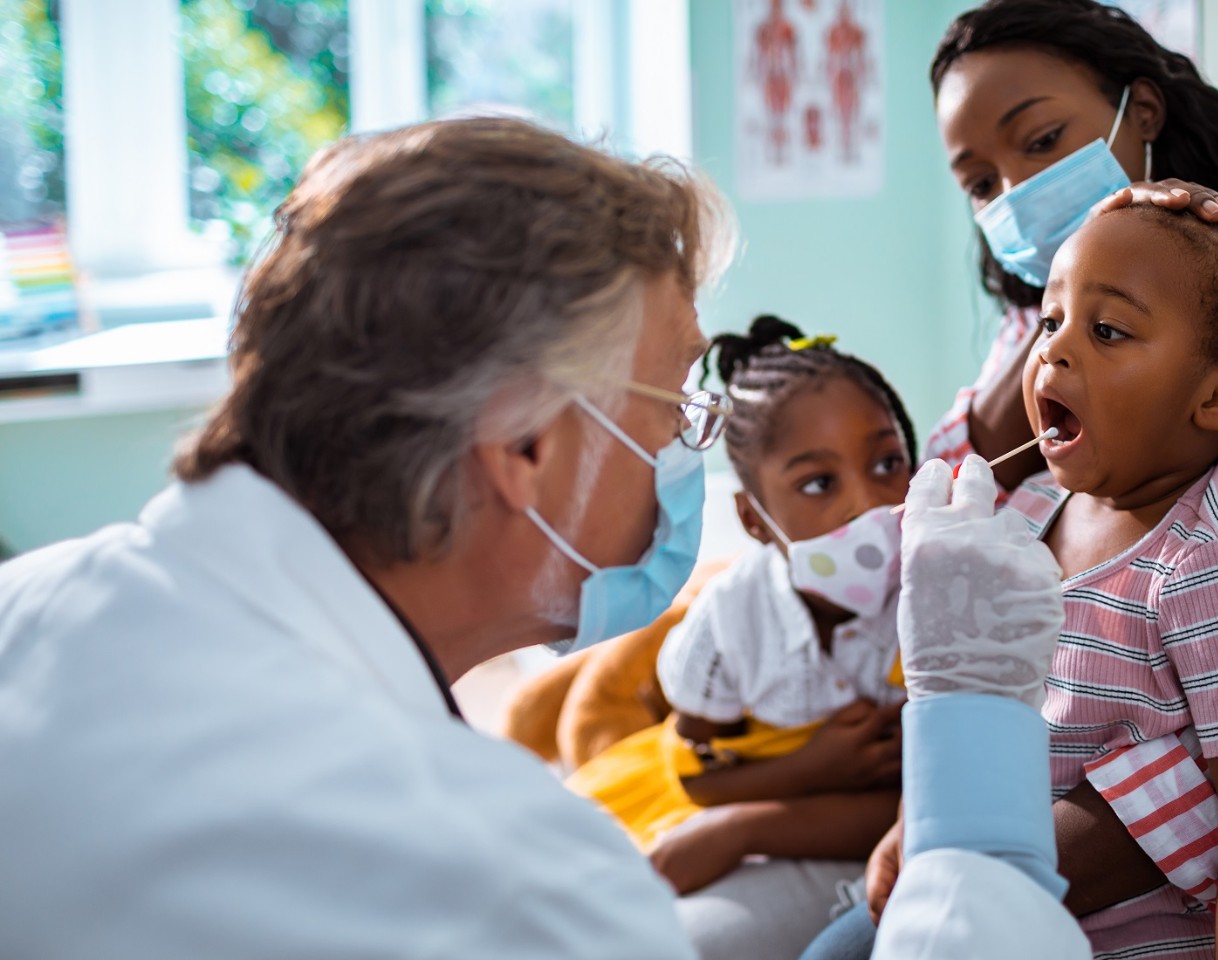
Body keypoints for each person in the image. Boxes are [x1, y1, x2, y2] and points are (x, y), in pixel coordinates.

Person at [0, 116, 1082, 959]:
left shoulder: (28, 610)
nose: (684, 448)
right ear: (524, 447)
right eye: (673, 408)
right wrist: (979, 772)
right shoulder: (504, 883)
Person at [804, 2, 1218, 957]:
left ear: (1141, 113)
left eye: (1043, 141)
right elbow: (943, 578)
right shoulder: (1029, 346)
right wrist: (938, 821)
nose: (1014, 190)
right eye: (981, 182)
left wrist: (1036, 863)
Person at [1017, 206, 1218, 955]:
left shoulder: (1215, 573)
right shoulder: (1028, 508)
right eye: (1050, 319)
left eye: (1107, 331)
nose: (1054, 351)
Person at [579, 317, 915, 956]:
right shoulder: (731, 619)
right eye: (819, 482)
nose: (867, 503)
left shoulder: (936, 596)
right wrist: (810, 767)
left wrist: (743, 830)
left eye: (887, 463)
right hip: (714, 791)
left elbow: (923, 802)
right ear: (752, 519)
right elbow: (697, 773)